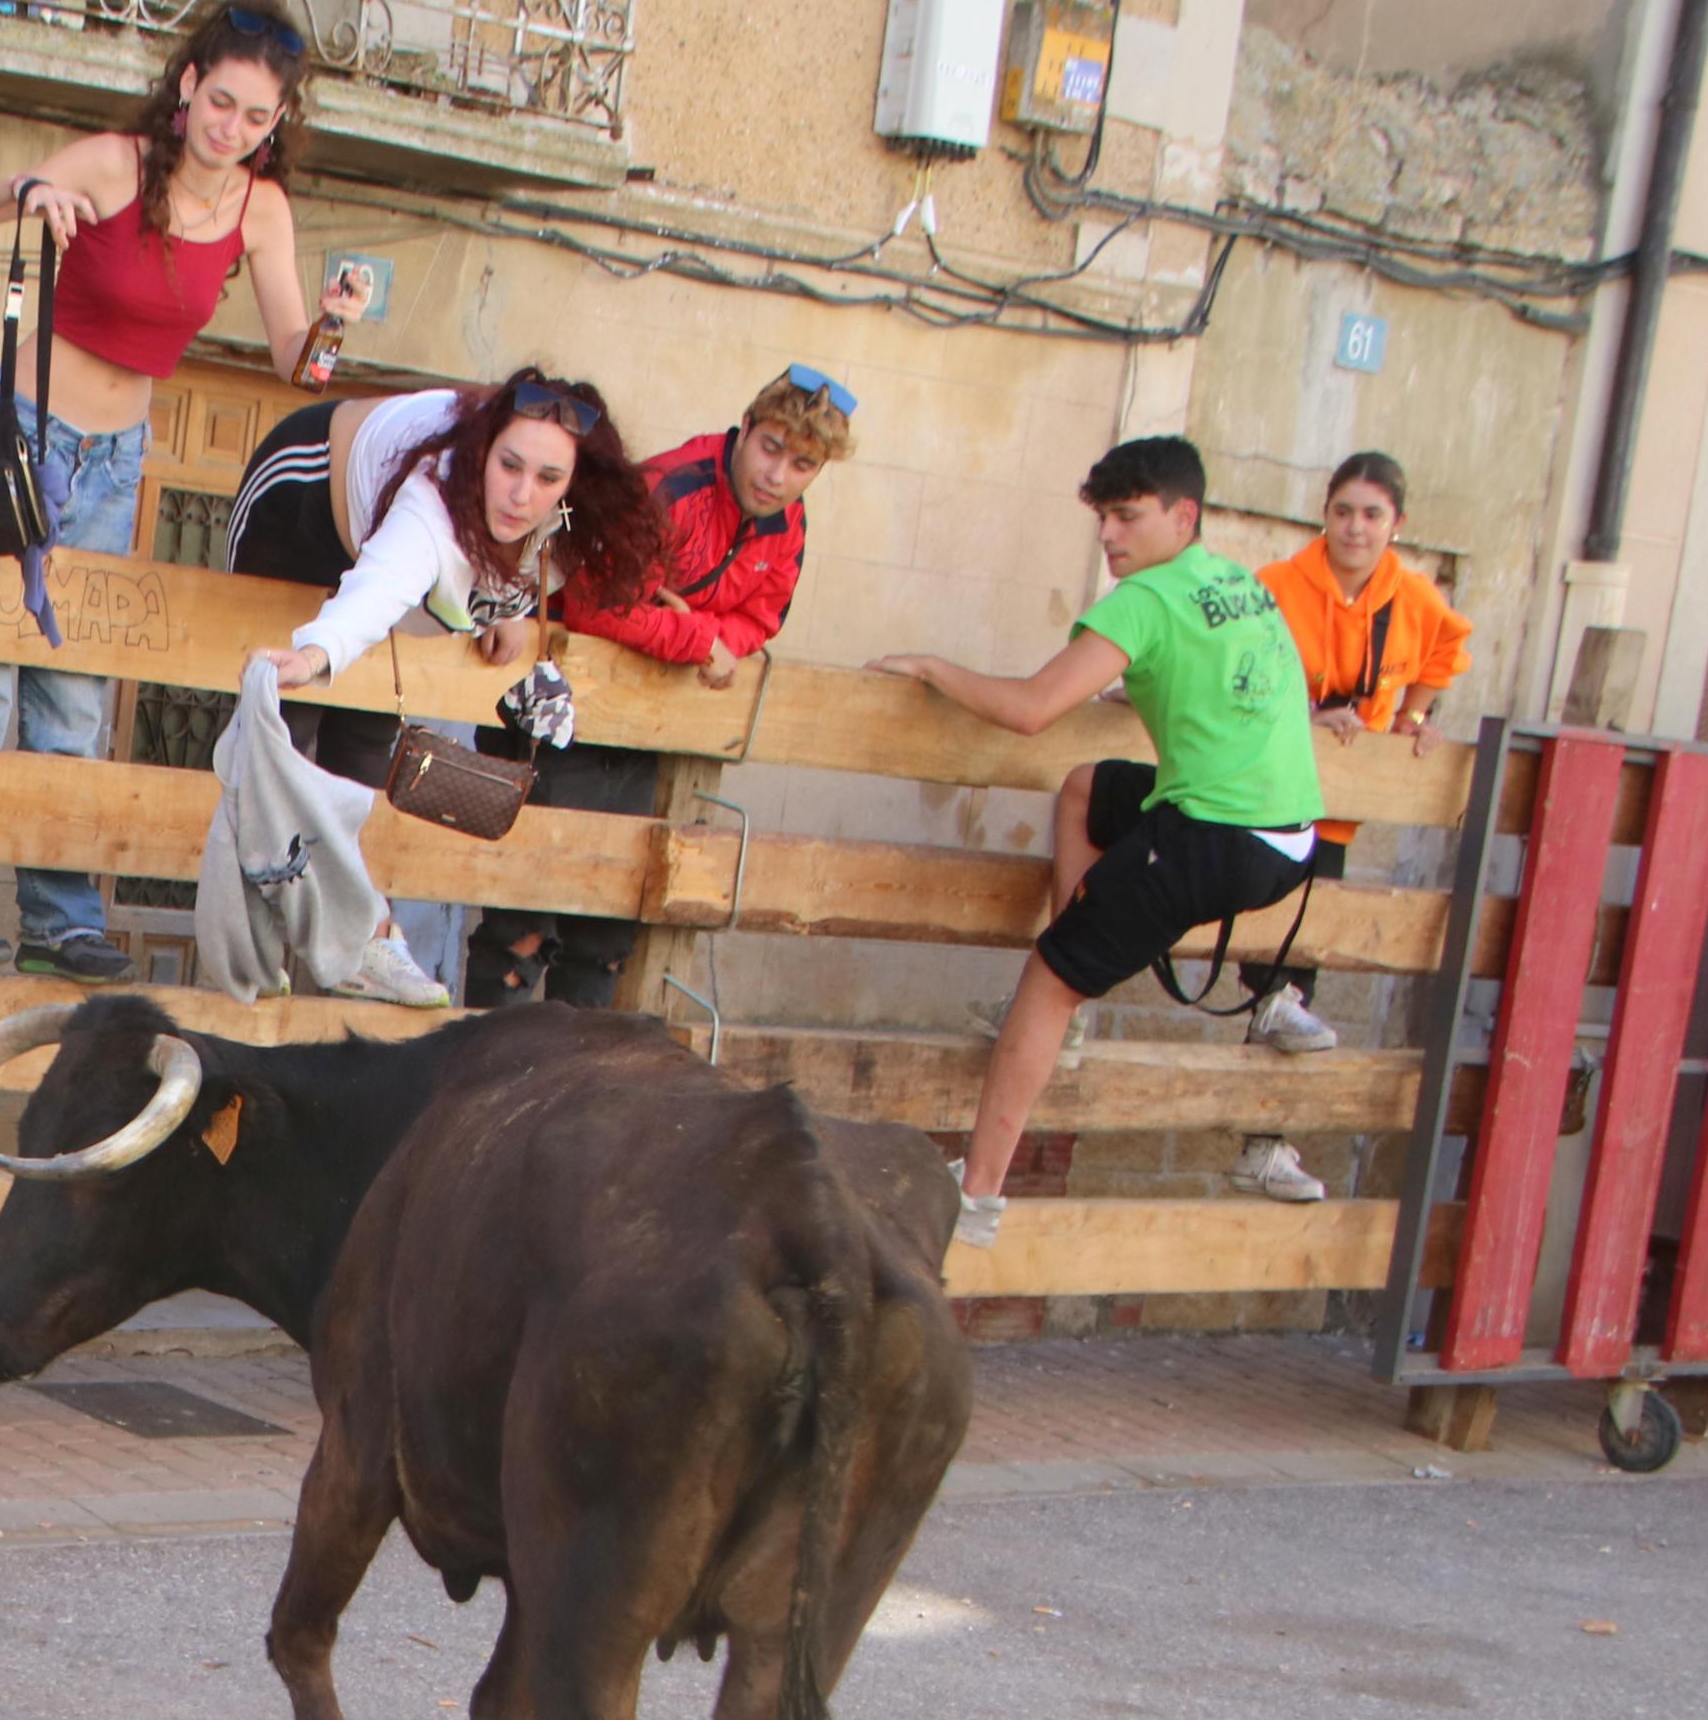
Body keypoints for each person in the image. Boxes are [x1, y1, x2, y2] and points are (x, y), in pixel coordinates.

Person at [0, 0, 360, 983]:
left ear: (276, 126)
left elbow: (292, 363)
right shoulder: (115, 162)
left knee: (71, 695)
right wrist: (26, 189)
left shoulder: (258, 208)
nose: (231, 130)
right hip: (24, 434)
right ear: (185, 88)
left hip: (116, 457)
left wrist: (329, 328)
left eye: (255, 118)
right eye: (220, 102)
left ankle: (60, 917)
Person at [878, 435, 1328, 1247]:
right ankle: (1073, 1002)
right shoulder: (1235, 582)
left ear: (1181, 514)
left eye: (1126, 517)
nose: (1109, 537)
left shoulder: (1143, 600)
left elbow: (1029, 708)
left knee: (1047, 978)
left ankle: (976, 1195)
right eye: (1102, 519)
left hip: (1213, 837)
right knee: (1087, 786)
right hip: (1291, 841)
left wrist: (934, 667)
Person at [231, 363, 663, 1006]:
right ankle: (260, 938)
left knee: (365, 750)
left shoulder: (569, 525)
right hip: (306, 492)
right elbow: (381, 587)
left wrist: (510, 607)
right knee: (278, 737)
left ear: (573, 486)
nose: (522, 494)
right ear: (482, 453)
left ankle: (361, 943)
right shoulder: (430, 499)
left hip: (383, 572)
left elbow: (518, 564)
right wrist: (317, 652)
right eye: (509, 467)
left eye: (547, 478)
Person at [479, 362, 854, 1008]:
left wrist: (707, 636)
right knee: (525, 917)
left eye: (801, 464)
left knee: (608, 923)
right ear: (744, 429)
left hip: (647, 727)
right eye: (769, 447)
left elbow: (761, 617)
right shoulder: (669, 486)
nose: (776, 475)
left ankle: (578, 1093)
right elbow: (599, 606)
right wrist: (696, 641)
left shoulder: (787, 525)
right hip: (559, 707)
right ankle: (482, 1083)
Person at [1247, 448, 1471, 1067]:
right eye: (1343, 511)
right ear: (1324, 516)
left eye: (1372, 514)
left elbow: (1446, 653)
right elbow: (1238, 676)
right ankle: (1262, 1127)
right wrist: (1305, 719)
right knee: (1269, 941)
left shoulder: (1416, 597)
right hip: (1265, 788)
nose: (1355, 527)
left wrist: (1414, 719)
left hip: (1339, 803)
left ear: (1395, 523)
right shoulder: (1274, 585)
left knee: (1304, 959)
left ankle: (1264, 1138)